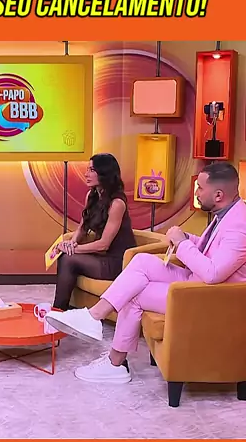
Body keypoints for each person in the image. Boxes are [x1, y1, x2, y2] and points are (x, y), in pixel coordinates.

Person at [46, 162, 246, 383]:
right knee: (141, 261)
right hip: (196, 282)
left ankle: (114, 361)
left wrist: (182, 244)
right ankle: (94, 319)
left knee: (135, 294)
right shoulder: (227, 213)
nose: (196, 193)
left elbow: (213, 273)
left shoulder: (239, 226)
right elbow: (214, 250)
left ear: (218, 195)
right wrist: (188, 239)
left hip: (209, 296)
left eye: (200, 188)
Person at [52, 153, 135, 310]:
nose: (86, 174)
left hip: (117, 261)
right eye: (87, 169)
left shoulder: (117, 203)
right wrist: (71, 243)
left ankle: (58, 311)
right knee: (66, 256)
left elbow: (103, 244)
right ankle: (61, 311)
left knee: (68, 259)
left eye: (91, 170)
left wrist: (74, 249)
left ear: (104, 173)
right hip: (101, 257)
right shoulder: (91, 195)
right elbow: (83, 227)